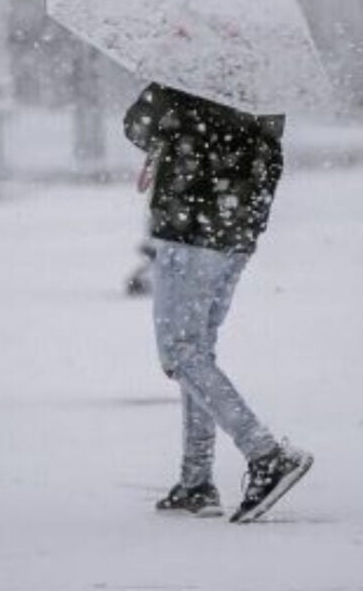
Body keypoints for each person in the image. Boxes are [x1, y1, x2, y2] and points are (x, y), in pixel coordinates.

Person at [123, 81, 313, 523]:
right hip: (235, 233)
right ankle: (196, 482)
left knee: (180, 351)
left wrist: (163, 114)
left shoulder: (184, 77)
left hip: (190, 231)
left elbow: (136, 125)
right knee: (198, 351)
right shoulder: (260, 84)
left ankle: (266, 455)